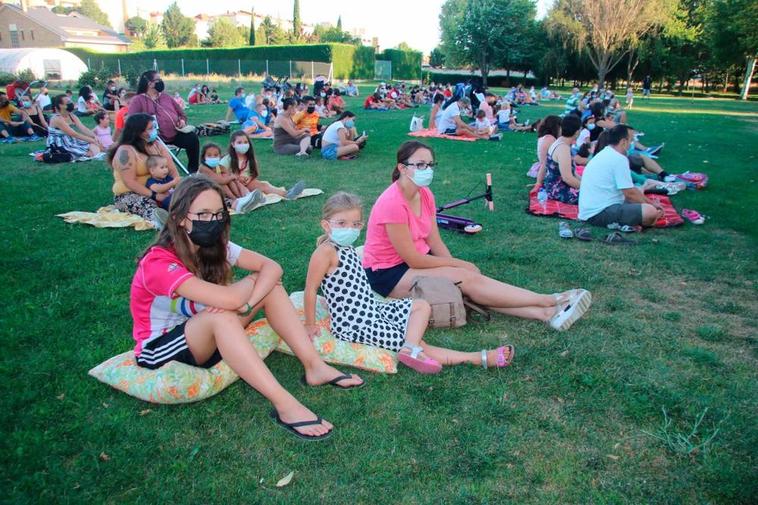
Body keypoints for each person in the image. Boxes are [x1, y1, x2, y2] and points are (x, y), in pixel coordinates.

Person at [130, 176, 363, 440]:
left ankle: (315, 367)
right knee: (227, 314)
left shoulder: (214, 245)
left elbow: (273, 267)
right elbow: (231, 301)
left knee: (271, 288)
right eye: (203, 214)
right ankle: (285, 404)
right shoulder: (158, 262)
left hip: (206, 329)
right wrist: (251, 284)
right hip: (162, 349)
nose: (213, 221)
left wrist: (250, 299)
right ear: (181, 217)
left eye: (218, 214)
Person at [363, 140, 592, 331]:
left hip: (414, 262)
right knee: (467, 279)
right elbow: (413, 259)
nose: (428, 170)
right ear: (402, 168)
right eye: (420, 165)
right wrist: (458, 265)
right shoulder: (392, 203)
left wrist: (456, 270)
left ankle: (546, 314)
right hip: (388, 273)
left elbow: (434, 240)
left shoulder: (424, 194)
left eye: (430, 164)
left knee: (466, 281)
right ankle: (552, 299)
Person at [304, 192, 515, 373]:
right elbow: (310, 290)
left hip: (373, 309)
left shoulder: (346, 248)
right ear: (326, 225)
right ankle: (479, 358)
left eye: (355, 224)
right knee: (424, 346)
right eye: (342, 223)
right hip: (355, 323)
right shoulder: (324, 253)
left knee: (421, 306)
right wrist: (311, 324)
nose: (350, 229)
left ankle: (410, 348)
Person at [578, 124, 664, 228]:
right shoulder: (619, 159)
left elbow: (630, 190)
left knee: (639, 193)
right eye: (631, 141)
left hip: (596, 208)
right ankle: (640, 221)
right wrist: (652, 207)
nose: (632, 144)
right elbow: (630, 194)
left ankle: (634, 220)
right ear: (623, 142)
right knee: (649, 212)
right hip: (599, 213)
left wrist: (649, 202)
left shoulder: (607, 153)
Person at [108, 113, 182, 228]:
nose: (154, 131)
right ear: (139, 132)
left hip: (161, 188)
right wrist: (154, 195)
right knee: (148, 205)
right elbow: (130, 182)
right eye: (150, 128)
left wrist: (177, 185)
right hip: (131, 193)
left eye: (154, 127)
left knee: (183, 196)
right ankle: (162, 220)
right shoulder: (125, 151)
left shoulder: (156, 145)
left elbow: (172, 168)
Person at [129, 71, 200, 172]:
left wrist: (182, 121)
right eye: (158, 80)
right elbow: (132, 121)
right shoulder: (138, 100)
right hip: (153, 138)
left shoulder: (166, 97)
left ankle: (193, 171)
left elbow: (182, 114)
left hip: (174, 134)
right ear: (150, 83)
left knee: (192, 138)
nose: (161, 82)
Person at [220, 130, 305, 199]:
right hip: (234, 185)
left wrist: (248, 179)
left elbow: (254, 174)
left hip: (248, 182)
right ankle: (251, 198)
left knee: (263, 185)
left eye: (246, 142)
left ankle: (287, 194)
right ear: (233, 144)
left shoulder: (250, 159)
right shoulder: (227, 159)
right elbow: (219, 176)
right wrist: (236, 178)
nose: (243, 145)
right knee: (248, 191)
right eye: (239, 142)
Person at [198, 142, 266, 212]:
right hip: (206, 192)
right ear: (203, 157)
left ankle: (246, 195)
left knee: (228, 178)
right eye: (209, 155)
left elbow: (228, 175)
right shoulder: (203, 168)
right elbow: (221, 181)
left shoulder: (218, 167)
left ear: (219, 156)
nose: (213, 157)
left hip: (219, 189)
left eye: (216, 155)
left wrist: (232, 177)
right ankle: (237, 200)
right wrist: (231, 177)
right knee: (224, 181)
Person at [542, 115, 582, 204]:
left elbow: (572, 173)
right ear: (577, 132)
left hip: (553, 187)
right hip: (558, 191)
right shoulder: (563, 148)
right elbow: (567, 178)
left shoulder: (560, 141)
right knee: (598, 198)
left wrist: (585, 181)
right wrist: (587, 188)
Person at [532, 115, 561, 186]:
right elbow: (545, 163)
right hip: (548, 169)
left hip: (546, 167)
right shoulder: (550, 139)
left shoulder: (545, 137)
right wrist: (538, 183)